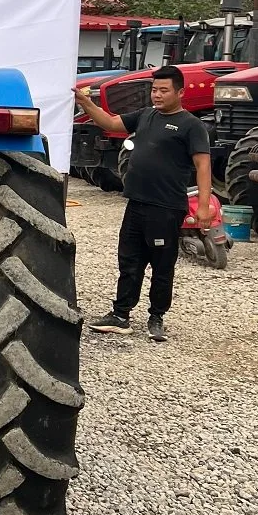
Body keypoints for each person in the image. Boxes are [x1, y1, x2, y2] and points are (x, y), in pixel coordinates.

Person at [74, 65, 211, 342]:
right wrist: (86, 103)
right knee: (129, 260)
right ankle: (121, 315)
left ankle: (156, 317)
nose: (157, 95)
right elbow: (112, 123)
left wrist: (205, 206)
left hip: (166, 207)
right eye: (154, 90)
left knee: (161, 264)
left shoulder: (191, 126)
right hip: (136, 203)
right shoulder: (146, 116)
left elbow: (203, 165)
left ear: (180, 92)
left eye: (164, 90)